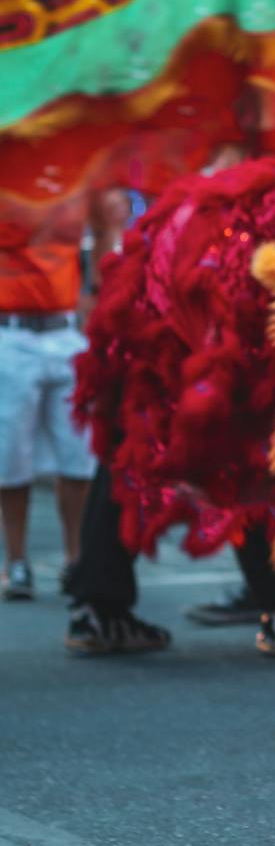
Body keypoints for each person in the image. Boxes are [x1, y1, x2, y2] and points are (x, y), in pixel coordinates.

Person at [0, 187, 126, 602]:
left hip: (66, 331)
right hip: (10, 333)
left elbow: (107, 226)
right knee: (9, 456)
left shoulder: (78, 177)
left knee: (79, 453)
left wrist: (100, 291)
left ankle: (77, 559)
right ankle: (16, 561)